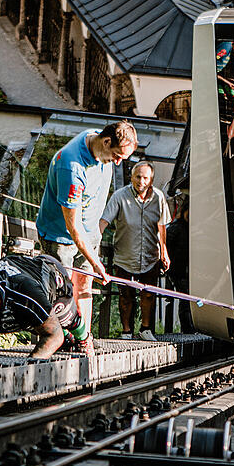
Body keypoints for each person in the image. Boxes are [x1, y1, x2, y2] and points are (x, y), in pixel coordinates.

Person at [36, 120, 139, 345]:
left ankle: (84, 339)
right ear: (106, 141)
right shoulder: (72, 167)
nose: (119, 162)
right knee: (60, 292)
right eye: (117, 156)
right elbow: (73, 229)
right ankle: (58, 341)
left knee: (84, 286)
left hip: (90, 233)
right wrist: (96, 263)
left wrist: (94, 247)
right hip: (60, 236)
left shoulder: (97, 141)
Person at [0, 254, 90, 359]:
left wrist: (31, 366)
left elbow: (54, 336)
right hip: (20, 289)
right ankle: (66, 335)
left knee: (66, 320)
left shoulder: (25, 293)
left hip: (51, 278)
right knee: (39, 324)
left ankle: (85, 339)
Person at [99, 161, 170, 340]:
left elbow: (162, 227)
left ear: (151, 180)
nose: (141, 181)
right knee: (125, 295)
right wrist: (94, 246)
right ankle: (126, 331)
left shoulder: (159, 197)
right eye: (138, 176)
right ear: (131, 177)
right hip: (125, 254)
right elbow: (104, 220)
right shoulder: (119, 196)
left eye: (145, 178)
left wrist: (164, 251)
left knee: (148, 294)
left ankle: (145, 329)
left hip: (149, 255)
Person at [165, 194, 194, 333]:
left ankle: (189, 328)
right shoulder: (176, 227)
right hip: (178, 269)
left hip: (188, 269)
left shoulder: (193, 228)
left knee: (187, 300)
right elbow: (167, 245)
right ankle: (187, 328)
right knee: (185, 299)